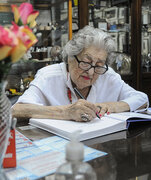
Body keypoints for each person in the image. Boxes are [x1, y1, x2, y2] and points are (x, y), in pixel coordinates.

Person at [12, 25, 149, 122]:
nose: (90, 72)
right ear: (70, 57)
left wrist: (111, 106)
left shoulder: (107, 75)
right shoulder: (48, 76)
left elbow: (142, 99)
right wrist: (64, 112)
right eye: (85, 62)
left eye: (99, 65)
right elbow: (17, 110)